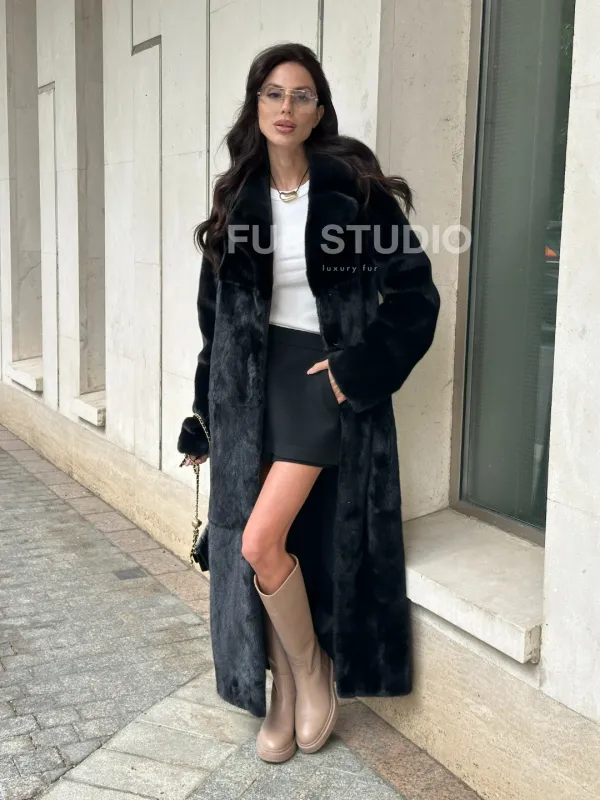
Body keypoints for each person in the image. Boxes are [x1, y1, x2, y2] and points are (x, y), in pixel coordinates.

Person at [178, 42, 440, 764]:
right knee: (268, 544)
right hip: (249, 392)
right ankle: (287, 692)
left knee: (259, 540)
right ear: (256, 106)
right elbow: (215, 327)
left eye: (300, 95)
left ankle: (314, 669)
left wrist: (356, 371)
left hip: (322, 382)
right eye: (273, 93)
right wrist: (203, 415)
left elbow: (415, 297)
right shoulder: (236, 200)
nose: (285, 107)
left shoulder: (356, 194)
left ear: (319, 109)